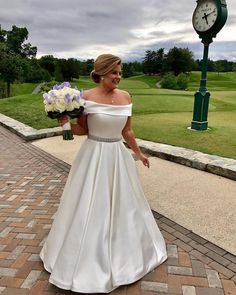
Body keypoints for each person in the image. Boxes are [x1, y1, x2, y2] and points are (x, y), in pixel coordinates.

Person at [40, 54, 167, 293]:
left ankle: (124, 255)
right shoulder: (85, 98)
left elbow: (128, 130)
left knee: (124, 206)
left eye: (120, 73)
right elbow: (81, 131)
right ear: (100, 73)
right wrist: (65, 123)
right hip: (93, 156)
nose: (118, 77)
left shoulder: (126, 97)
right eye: (114, 73)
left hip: (118, 156)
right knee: (89, 205)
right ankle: (85, 258)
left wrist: (139, 154)